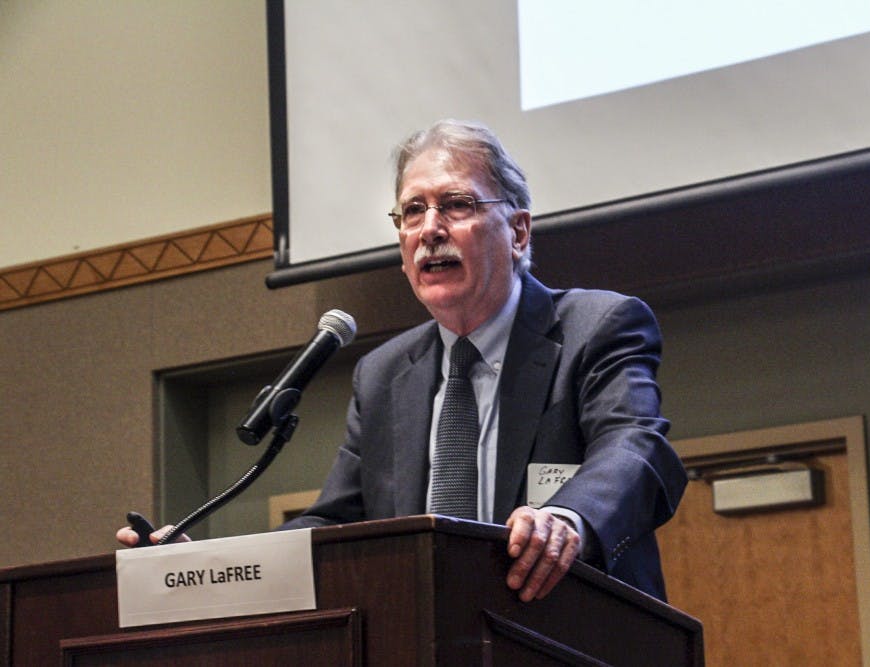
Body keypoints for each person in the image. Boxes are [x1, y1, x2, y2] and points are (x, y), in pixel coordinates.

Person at [118, 119, 687, 603]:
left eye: (457, 204)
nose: (430, 230)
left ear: (517, 231)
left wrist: (567, 519)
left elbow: (636, 447)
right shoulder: (386, 373)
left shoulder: (596, 326)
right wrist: (209, 567)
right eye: (412, 212)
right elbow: (337, 523)